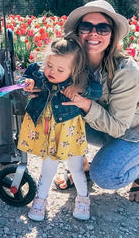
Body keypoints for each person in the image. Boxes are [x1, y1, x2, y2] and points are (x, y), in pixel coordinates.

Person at [55, 0, 139, 204]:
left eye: (102, 28)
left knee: (105, 177)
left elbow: (119, 128)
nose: (94, 33)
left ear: (112, 35)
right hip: (100, 128)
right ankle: (79, 165)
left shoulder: (126, 71)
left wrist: (86, 104)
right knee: (59, 113)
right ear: (77, 31)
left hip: (134, 132)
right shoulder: (71, 61)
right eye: (86, 26)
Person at [17, 37, 102, 221]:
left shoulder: (79, 79)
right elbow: (25, 78)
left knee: (76, 167)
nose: (52, 72)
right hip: (48, 130)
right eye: (49, 65)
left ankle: (83, 198)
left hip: (70, 131)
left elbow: (97, 91)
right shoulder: (38, 71)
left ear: (74, 70)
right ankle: (40, 200)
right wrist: (27, 84)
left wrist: (80, 88)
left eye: (60, 70)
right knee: (48, 167)